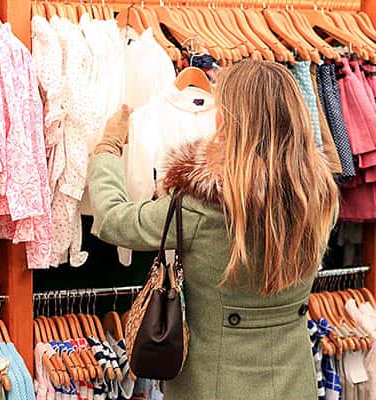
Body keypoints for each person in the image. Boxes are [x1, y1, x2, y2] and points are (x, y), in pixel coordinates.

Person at [88, 60, 339, 400]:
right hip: (293, 381)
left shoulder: (201, 207)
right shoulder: (317, 197)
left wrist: (107, 149)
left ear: (229, 120)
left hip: (214, 385)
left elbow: (114, 219)